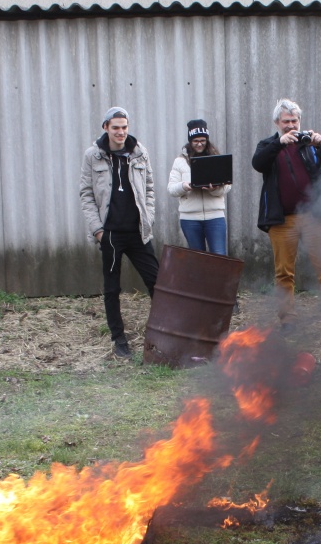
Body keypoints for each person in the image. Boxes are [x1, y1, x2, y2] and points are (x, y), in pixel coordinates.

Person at [252, 98, 321, 334]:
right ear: (277, 123)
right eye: (286, 121)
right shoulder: (268, 145)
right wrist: (279, 144)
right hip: (282, 220)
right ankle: (288, 322)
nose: (291, 125)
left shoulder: (310, 144)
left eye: (294, 121)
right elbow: (258, 163)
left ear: (300, 121)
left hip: (314, 216)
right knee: (284, 273)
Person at [79, 106, 159, 359]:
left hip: (138, 233)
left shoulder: (139, 152)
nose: (121, 132)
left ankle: (161, 335)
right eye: (115, 128)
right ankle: (119, 339)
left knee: (157, 283)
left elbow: (149, 189)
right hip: (111, 234)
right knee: (112, 289)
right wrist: (98, 230)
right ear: (106, 128)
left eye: (124, 127)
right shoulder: (94, 156)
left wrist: (149, 218)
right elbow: (86, 194)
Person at [167, 119, 230, 255]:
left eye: (202, 140)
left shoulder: (216, 158)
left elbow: (227, 186)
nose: (199, 144)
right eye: (195, 141)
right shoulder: (180, 161)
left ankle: (218, 278)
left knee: (219, 257)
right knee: (197, 260)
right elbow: (171, 189)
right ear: (190, 141)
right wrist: (184, 186)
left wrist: (214, 189)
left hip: (215, 216)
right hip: (190, 219)